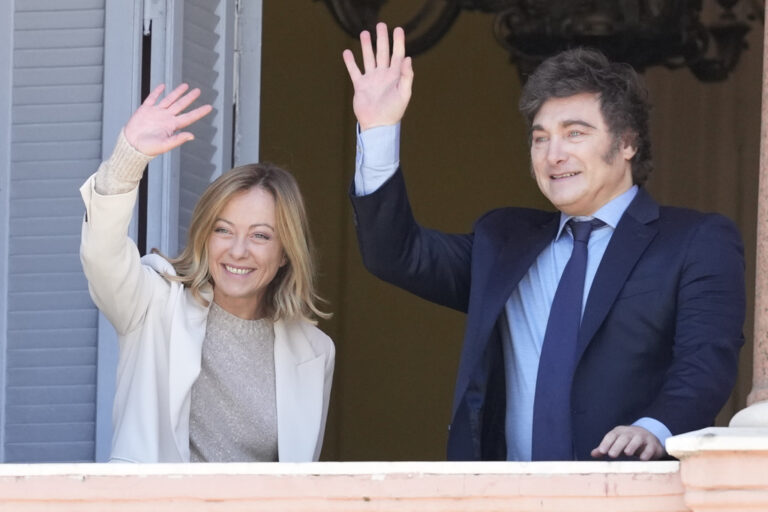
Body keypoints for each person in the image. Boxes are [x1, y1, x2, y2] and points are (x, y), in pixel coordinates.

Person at [342, 23, 745, 461]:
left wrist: (655, 429)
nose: (553, 155)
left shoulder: (696, 240)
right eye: (540, 138)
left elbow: (705, 364)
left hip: (632, 491)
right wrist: (379, 129)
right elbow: (394, 254)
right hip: (510, 495)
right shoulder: (504, 241)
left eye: (575, 133)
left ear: (627, 142)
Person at [80, 83, 335, 463]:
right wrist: (126, 161)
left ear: (285, 253)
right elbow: (102, 256)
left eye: (261, 236)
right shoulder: (154, 303)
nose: (238, 250)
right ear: (204, 235)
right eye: (223, 230)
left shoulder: (314, 350)